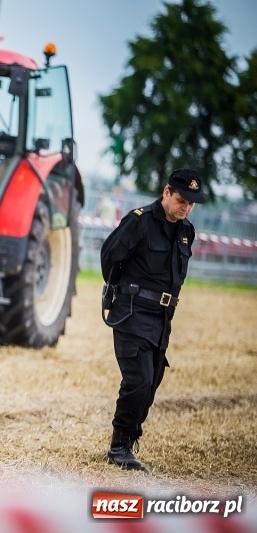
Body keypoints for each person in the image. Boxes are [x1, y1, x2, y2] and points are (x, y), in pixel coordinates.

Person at [100, 168, 206, 471]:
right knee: (139, 379)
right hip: (132, 311)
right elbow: (110, 256)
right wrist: (120, 291)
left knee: (153, 380)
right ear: (167, 193)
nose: (186, 207)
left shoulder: (186, 232)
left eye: (191, 203)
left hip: (161, 318)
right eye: (182, 199)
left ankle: (129, 438)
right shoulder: (139, 221)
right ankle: (118, 447)